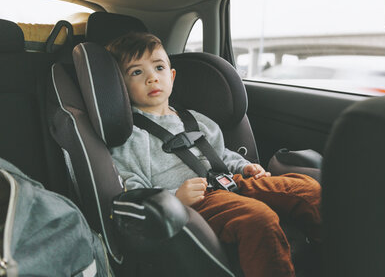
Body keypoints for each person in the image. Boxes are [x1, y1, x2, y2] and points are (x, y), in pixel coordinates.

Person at [107, 32, 321, 277]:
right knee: (259, 218)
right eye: (136, 72)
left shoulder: (196, 120)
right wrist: (174, 198)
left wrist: (244, 167)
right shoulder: (131, 137)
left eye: (159, 67)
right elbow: (133, 190)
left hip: (229, 182)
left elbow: (222, 154)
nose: (152, 78)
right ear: (120, 86)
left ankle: (339, 258)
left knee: (308, 190)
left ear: (172, 75)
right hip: (195, 203)